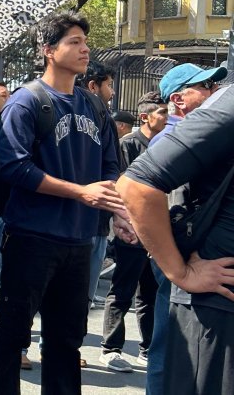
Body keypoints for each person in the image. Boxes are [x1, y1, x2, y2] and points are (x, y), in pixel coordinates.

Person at [0, 12, 123, 395]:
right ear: (48, 51)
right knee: (12, 337)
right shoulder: (26, 103)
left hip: (80, 241)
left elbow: (111, 165)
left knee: (66, 342)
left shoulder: (94, 105)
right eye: (74, 42)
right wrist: (80, 192)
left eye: (85, 41)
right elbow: (14, 167)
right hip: (32, 238)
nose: (84, 49)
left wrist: (117, 207)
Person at [117, 82, 234, 395]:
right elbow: (137, 186)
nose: (210, 89)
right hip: (217, 310)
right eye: (204, 85)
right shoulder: (229, 106)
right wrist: (178, 272)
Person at [99, 92, 166, 372]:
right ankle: (110, 348)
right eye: (161, 112)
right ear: (145, 117)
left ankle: (146, 348)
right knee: (122, 290)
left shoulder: (166, 146)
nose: (167, 116)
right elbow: (123, 187)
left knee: (149, 293)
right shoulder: (128, 144)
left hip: (158, 234)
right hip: (132, 230)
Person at [78, 60, 119, 309]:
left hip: (97, 223)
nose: (112, 92)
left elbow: (112, 167)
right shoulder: (39, 105)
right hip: (66, 227)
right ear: (94, 86)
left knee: (80, 304)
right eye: (110, 85)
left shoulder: (105, 120)